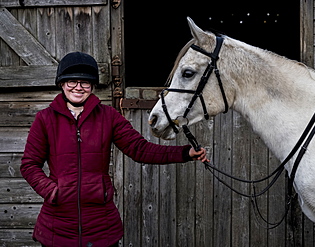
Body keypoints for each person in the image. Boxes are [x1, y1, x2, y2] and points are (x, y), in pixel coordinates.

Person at [20, 52, 209, 247]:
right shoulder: (45, 119)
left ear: (92, 86)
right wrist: (51, 190)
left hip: (101, 226)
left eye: (85, 82)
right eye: (71, 81)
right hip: (57, 226)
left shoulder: (108, 116)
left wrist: (185, 153)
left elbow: (139, 149)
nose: (78, 87)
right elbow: (29, 165)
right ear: (61, 84)